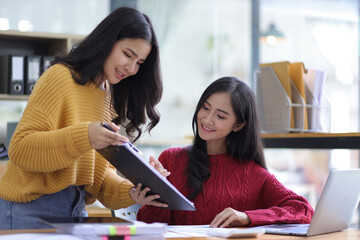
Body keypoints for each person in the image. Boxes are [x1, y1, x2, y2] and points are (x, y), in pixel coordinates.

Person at [0, 7, 169, 230]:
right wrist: (86, 136)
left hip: (76, 211)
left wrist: (134, 192)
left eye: (139, 63)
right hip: (30, 209)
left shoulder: (109, 95)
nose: (131, 68)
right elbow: (21, 150)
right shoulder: (60, 77)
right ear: (108, 41)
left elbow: (100, 180)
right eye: (128, 55)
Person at [137, 77, 314, 227]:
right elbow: (152, 228)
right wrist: (150, 201)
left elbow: (304, 209)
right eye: (205, 108)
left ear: (239, 125)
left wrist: (248, 217)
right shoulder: (170, 160)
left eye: (220, 116)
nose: (207, 119)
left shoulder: (254, 174)